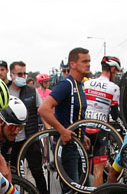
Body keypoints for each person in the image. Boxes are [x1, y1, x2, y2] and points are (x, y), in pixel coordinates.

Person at [39, 47, 91, 185]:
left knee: (83, 191)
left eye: (89, 61)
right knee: (70, 192)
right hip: (67, 146)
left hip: (78, 144)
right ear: (72, 64)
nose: (88, 64)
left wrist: (83, 134)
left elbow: (75, 115)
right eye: (84, 61)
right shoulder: (66, 85)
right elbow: (44, 109)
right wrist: (61, 130)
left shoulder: (80, 85)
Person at [82, 56, 123, 186]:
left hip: (84, 128)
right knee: (98, 171)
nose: (115, 74)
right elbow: (115, 114)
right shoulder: (114, 87)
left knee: (84, 169)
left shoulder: (87, 83)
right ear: (111, 69)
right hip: (101, 130)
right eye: (115, 71)